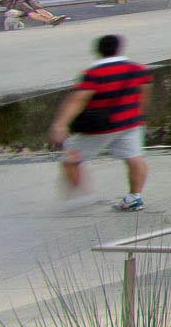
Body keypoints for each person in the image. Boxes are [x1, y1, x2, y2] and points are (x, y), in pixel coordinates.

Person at [48, 34, 152, 211]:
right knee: (134, 158)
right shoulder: (138, 69)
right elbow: (144, 94)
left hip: (101, 127)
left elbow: (78, 100)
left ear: (98, 50)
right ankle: (135, 197)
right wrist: (139, 115)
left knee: (70, 159)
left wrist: (61, 124)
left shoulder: (93, 74)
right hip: (131, 123)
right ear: (119, 48)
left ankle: (80, 197)